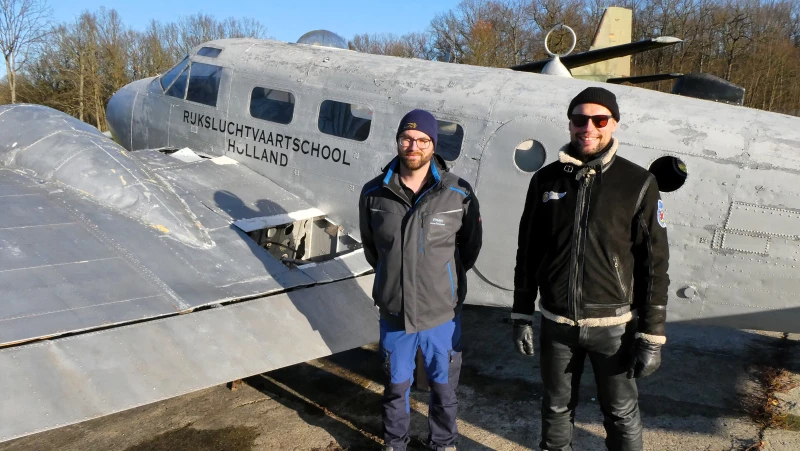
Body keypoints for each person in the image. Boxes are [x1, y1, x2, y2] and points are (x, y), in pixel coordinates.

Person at [511, 87, 670, 451]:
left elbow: (655, 262)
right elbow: (529, 251)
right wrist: (521, 312)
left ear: (613, 124)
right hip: (557, 324)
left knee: (620, 411)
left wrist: (652, 333)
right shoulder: (546, 181)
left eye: (599, 120)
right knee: (555, 407)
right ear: (570, 124)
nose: (589, 128)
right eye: (580, 119)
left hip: (612, 327)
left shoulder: (638, 183)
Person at [359, 109, 482, 451]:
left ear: (433, 144)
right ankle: (394, 443)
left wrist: (444, 281)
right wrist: (392, 279)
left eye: (422, 140)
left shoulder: (458, 193)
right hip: (395, 314)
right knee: (396, 388)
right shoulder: (374, 194)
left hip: (440, 314)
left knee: (443, 390)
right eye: (406, 138)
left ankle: (443, 443)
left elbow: (469, 247)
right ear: (398, 141)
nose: (413, 146)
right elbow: (373, 249)